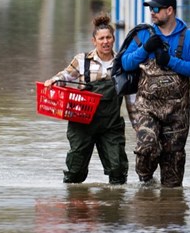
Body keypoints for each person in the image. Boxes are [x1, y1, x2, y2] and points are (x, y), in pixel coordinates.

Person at [120, 0, 190, 187]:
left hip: (177, 113)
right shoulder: (142, 35)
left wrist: (171, 61)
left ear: (170, 10)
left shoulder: (189, 37)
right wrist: (145, 49)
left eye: (156, 9)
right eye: (150, 9)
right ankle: (146, 181)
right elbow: (125, 63)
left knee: (173, 174)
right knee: (147, 146)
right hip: (147, 107)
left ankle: (169, 209)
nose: (152, 13)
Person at [44, 14, 129, 185]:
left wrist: (138, 124)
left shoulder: (122, 62)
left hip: (110, 125)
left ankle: (115, 205)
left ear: (113, 39)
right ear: (94, 41)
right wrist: (52, 81)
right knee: (75, 171)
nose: (105, 41)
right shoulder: (82, 60)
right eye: (101, 38)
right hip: (82, 123)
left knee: (118, 169)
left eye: (109, 37)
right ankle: (73, 203)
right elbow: (65, 76)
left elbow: (131, 97)